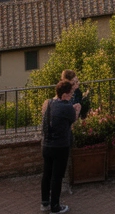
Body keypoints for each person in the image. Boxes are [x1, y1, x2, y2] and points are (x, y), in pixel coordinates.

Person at [40, 80, 77, 214]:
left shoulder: (48, 103)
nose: (71, 96)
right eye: (71, 93)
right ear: (65, 94)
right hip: (60, 146)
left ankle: (45, 203)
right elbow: (73, 119)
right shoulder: (67, 107)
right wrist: (77, 109)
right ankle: (55, 207)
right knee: (57, 176)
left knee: (47, 174)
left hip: (46, 145)